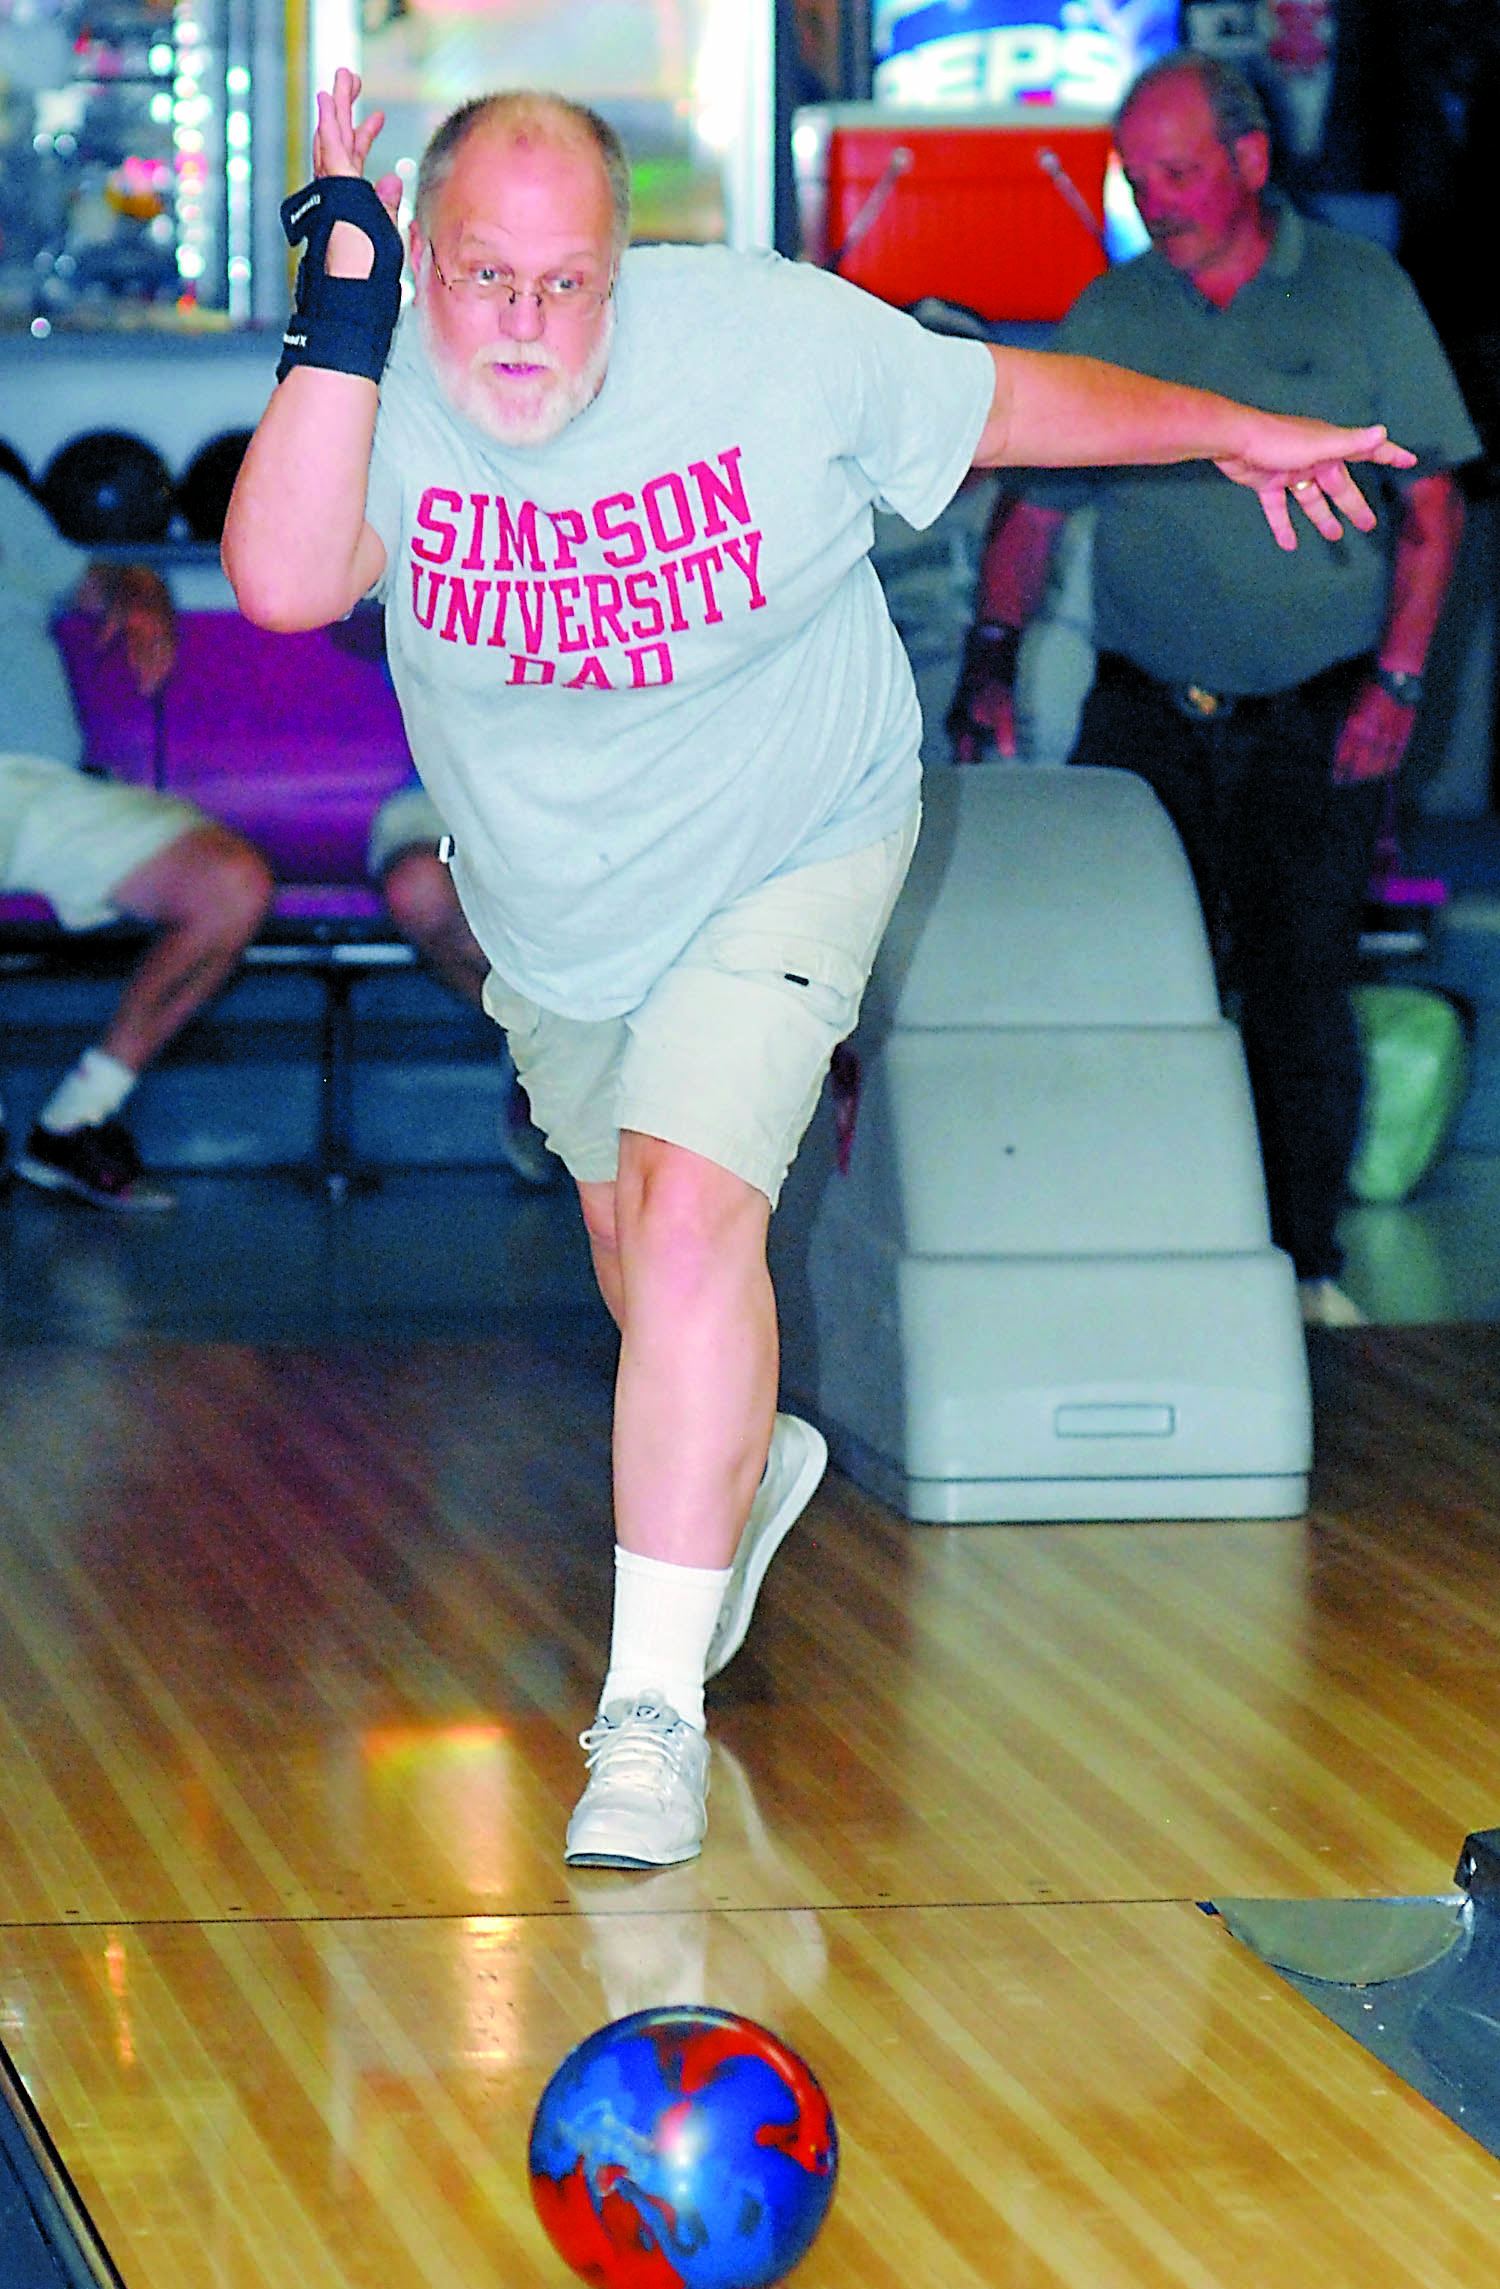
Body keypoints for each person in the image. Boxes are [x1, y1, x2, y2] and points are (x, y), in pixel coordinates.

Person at [222, 66, 1415, 1870]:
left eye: (569, 282)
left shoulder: (772, 344)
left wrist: (1229, 428)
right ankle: (750, 1462)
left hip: (795, 841)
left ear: (630, 267)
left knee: (698, 1216)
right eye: (482, 278)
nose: (527, 325)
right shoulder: (374, 375)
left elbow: (1009, 402)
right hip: (560, 904)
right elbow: (289, 580)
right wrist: (345, 308)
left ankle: (647, 1720)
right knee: (645, 1256)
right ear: (420, 257)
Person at [946, 52, 1478, 1329]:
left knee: (1298, 979)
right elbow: (1035, 507)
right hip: (1148, 708)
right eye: (1136, 177)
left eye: (1178, 172)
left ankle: (1299, 1266)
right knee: (1126, 976)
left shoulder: (1359, 297)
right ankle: (1136, 1246)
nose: (1156, 200)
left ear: (1249, 161)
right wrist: (992, 660)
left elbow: (1433, 506)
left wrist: (1398, 684)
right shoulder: (1115, 314)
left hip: (1320, 702)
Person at [1, 466, 273, 1210]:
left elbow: (87, 579)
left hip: (41, 785)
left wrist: (139, 586)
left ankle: (75, 1120)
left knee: (230, 884)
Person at [368, 783, 564, 1185]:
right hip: (453, 792)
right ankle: (544, 1054)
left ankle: (554, 1057)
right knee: (421, 890)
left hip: (596, 797)